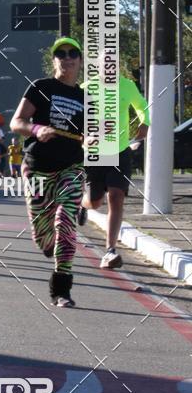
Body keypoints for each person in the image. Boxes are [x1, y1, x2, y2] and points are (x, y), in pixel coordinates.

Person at [10, 37, 85, 308]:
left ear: (80, 60)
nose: (67, 58)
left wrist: (94, 139)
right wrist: (36, 129)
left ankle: (61, 290)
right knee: (43, 237)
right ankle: (50, 243)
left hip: (72, 168)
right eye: (61, 54)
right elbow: (16, 122)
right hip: (38, 167)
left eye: (72, 53)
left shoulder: (87, 98)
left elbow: (98, 135)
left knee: (65, 222)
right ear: (54, 60)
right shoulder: (41, 87)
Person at [79, 69, 150, 269]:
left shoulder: (127, 85)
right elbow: (76, 118)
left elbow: (141, 105)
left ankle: (110, 250)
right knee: (95, 202)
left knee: (116, 197)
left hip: (120, 151)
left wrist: (145, 122)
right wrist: (85, 136)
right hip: (94, 153)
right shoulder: (86, 88)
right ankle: (82, 204)